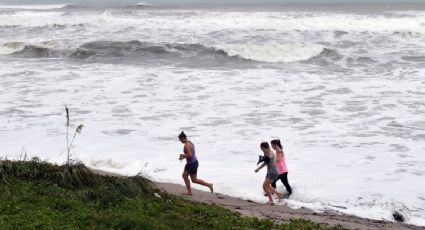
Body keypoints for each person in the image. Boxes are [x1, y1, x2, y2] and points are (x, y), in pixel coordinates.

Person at [178, 131, 213, 195]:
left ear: (183, 138)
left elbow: (190, 155)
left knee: (186, 177)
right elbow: (191, 155)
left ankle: (190, 192)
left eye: (180, 140)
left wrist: (183, 155)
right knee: (193, 179)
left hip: (191, 164)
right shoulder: (190, 142)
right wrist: (183, 157)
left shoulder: (186, 145)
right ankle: (209, 185)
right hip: (194, 162)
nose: (180, 141)